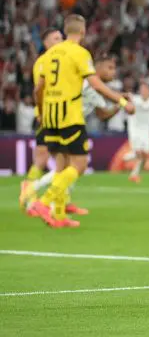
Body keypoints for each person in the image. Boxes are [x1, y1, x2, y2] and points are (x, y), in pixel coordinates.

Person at [27, 14, 135, 228]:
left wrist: (40, 111)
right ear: (83, 32)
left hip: (49, 116)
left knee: (62, 164)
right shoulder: (80, 53)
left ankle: (58, 216)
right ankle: (44, 201)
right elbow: (96, 85)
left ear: (66, 32)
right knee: (80, 164)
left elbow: (38, 88)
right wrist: (123, 102)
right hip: (69, 116)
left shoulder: (49, 55)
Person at [22, 53, 125, 214]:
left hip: (62, 122)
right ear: (97, 68)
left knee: (69, 167)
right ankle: (32, 191)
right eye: (110, 68)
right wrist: (121, 103)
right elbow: (103, 113)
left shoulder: (87, 83)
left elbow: (100, 113)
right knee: (73, 167)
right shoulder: (90, 85)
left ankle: (60, 204)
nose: (114, 72)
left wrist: (119, 103)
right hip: (67, 124)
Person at [19, 28, 63, 203]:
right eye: (56, 38)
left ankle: (61, 200)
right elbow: (40, 90)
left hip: (57, 116)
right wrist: (43, 113)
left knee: (60, 159)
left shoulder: (58, 60)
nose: (60, 41)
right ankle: (28, 189)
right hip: (46, 116)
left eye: (61, 38)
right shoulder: (43, 62)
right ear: (46, 43)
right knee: (43, 157)